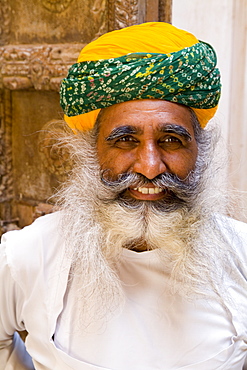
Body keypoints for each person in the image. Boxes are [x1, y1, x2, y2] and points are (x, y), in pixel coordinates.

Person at [0, 22, 247, 370]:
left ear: (200, 152)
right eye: (125, 140)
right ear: (91, 152)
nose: (149, 167)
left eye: (171, 140)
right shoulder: (27, 255)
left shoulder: (241, 256)